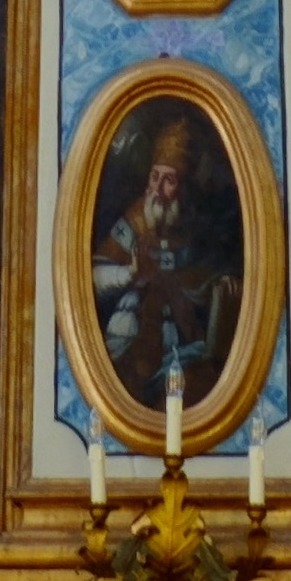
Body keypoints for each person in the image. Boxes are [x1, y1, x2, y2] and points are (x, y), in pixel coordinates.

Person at [95, 113, 242, 424]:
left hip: (178, 351)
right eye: (154, 176)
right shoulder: (135, 220)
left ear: (184, 188)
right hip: (129, 341)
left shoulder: (195, 230)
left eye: (169, 180)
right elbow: (92, 276)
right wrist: (129, 275)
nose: (157, 189)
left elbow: (205, 279)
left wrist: (223, 288)